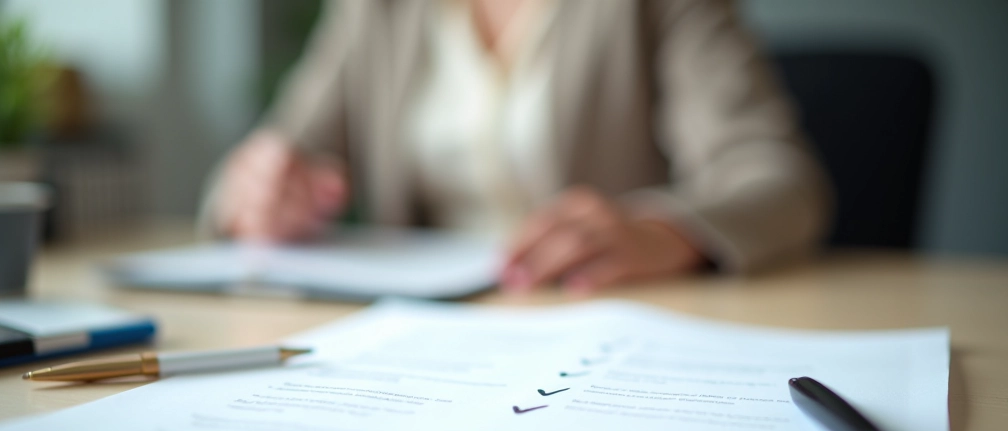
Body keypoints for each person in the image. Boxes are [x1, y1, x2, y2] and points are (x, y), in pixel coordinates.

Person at [201, 0, 830, 293]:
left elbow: (776, 177)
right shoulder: (377, 10)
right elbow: (283, 147)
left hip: (604, 324)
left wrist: (664, 231)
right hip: (424, 343)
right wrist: (258, 191)